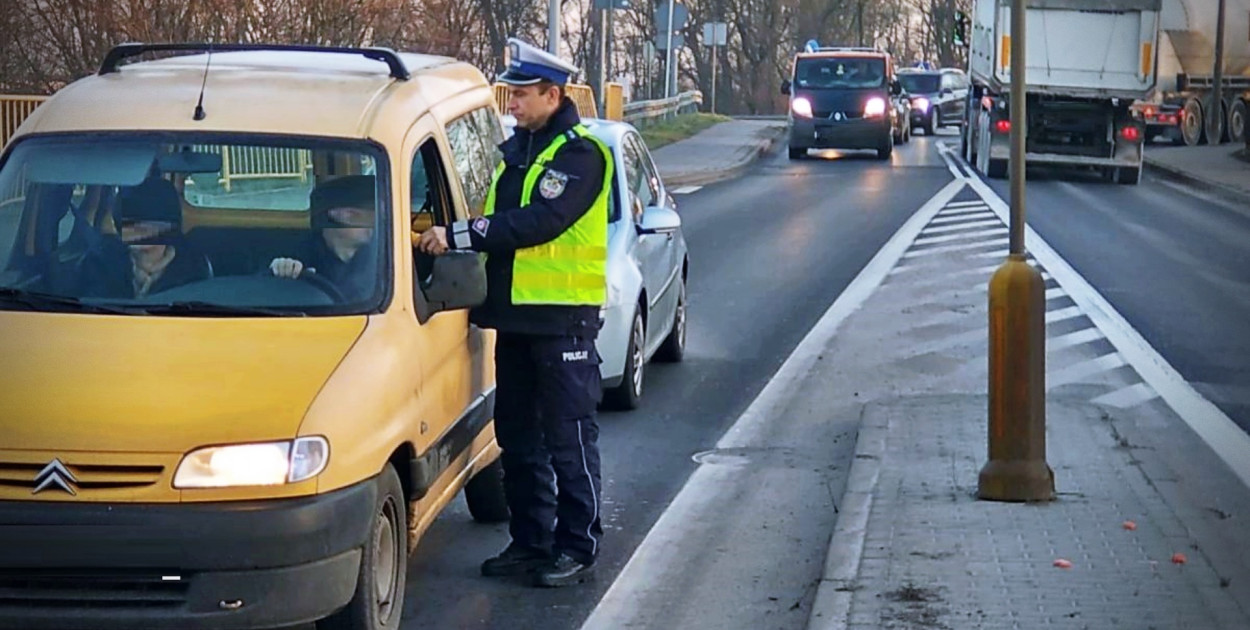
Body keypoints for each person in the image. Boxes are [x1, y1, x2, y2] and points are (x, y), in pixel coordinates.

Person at [417, 37, 614, 588]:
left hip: (563, 321)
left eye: (522, 95)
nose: (512, 105)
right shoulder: (520, 154)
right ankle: (531, 542)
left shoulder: (579, 155)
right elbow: (503, 219)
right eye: (511, 94)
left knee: (569, 438)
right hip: (519, 321)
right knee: (518, 437)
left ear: (552, 95)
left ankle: (578, 546)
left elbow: (534, 224)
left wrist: (457, 234)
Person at [78, 175, 212, 298]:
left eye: (153, 218)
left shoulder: (194, 267)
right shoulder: (100, 261)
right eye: (132, 219)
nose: (141, 228)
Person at [269, 175, 378, 302]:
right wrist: (282, 269)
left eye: (377, 213)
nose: (373, 221)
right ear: (332, 216)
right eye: (354, 215)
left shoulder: (385, 256)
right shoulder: (299, 254)